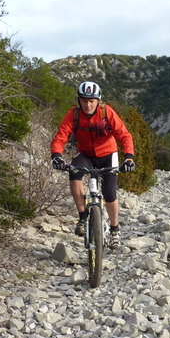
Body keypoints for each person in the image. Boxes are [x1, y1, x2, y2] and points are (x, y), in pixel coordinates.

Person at [50, 81, 135, 248]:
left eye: (92, 101)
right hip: (86, 155)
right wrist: (56, 156)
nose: (88, 105)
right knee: (74, 172)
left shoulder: (106, 112)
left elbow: (124, 135)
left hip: (108, 155)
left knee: (109, 192)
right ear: (79, 100)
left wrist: (129, 158)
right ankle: (82, 218)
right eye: (84, 101)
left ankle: (114, 229)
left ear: (98, 101)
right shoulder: (73, 114)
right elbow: (61, 136)